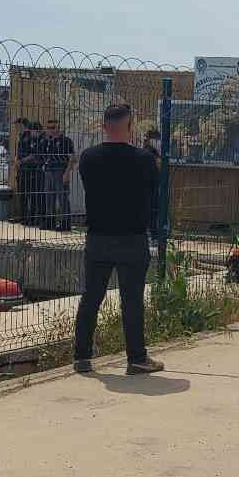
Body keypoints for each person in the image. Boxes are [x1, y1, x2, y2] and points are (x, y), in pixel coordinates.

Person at [73, 103, 163, 377]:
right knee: (131, 299)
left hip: (98, 237)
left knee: (91, 298)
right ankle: (136, 358)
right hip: (132, 238)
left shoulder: (88, 158)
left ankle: (82, 357)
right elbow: (153, 192)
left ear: (103, 126)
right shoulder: (145, 159)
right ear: (131, 126)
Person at [40, 119, 75, 231]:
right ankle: (50, 222)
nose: (51, 130)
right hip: (49, 171)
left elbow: (72, 158)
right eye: (49, 128)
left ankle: (65, 223)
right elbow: (44, 156)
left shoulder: (66, 141)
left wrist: (67, 173)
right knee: (49, 197)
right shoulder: (47, 141)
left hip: (60, 171)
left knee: (62, 198)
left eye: (53, 128)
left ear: (58, 128)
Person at [16, 119, 44, 224]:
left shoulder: (33, 139)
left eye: (19, 126)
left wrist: (21, 161)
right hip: (22, 169)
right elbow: (18, 153)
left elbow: (33, 154)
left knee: (32, 195)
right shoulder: (22, 137)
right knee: (22, 194)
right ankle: (23, 217)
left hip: (31, 169)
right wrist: (17, 162)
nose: (17, 129)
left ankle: (32, 218)